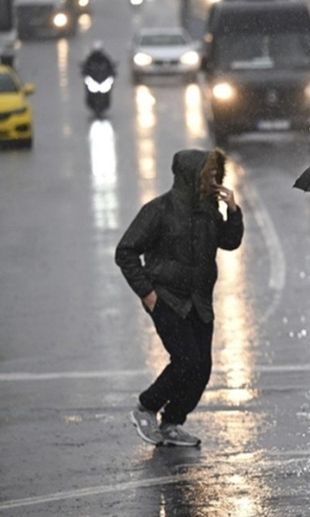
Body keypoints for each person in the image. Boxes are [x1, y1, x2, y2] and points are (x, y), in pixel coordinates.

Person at [115, 148, 244, 447]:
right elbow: (126, 251)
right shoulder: (159, 210)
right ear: (192, 176)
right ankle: (145, 408)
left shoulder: (209, 211)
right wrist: (148, 294)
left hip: (199, 301)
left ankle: (172, 422)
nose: (215, 178)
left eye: (216, 173)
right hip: (168, 299)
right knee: (186, 360)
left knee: (202, 369)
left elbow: (230, 242)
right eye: (209, 173)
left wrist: (233, 213)